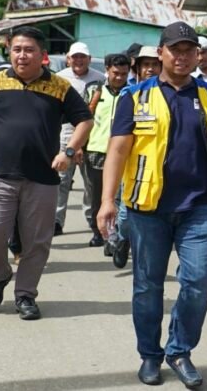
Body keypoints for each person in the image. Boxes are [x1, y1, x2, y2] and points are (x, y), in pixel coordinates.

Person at [97, 21, 207, 388]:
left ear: (199, 55)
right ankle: (149, 354)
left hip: (200, 206)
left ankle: (179, 350)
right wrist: (107, 201)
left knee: (198, 281)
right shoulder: (135, 96)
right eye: (175, 49)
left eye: (189, 50)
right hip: (148, 208)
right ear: (159, 53)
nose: (182, 55)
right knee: (148, 285)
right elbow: (117, 150)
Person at [0, 26, 93, 321]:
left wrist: (69, 152)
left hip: (42, 179)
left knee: (37, 241)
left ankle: (25, 295)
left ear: (42, 55)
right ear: (10, 52)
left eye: (29, 50)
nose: (22, 56)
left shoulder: (59, 87)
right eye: (17, 50)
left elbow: (85, 120)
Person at [108, 46, 163, 268]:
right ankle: (123, 238)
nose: (150, 69)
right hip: (130, 164)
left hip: (157, 166)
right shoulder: (129, 94)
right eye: (146, 65)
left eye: (154, 64)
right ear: (138, 68)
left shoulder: (167, 95)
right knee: (125, 212)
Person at [54, 41, 105, 242]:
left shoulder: (101, 79)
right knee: (61, 182)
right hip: (64, 137)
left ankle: (94, 225)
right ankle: (56, 222)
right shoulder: (59, 79)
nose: (78, 60)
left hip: (92, 139)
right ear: (68, 59)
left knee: (91, 185)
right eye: (75, 57)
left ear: (89, 59)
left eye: (82, 57)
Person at [84, 53, 130, 260]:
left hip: (123, 154)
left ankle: (116, 238)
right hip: (96, 151)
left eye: (124, 74)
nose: (119, 78)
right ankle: (99, 232)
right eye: (115, 73)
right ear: (107, 69)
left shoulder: (133, 93)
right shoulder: (94, 90)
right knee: (97, 196)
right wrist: (77, 147)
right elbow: (83, 119)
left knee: (120, 198)